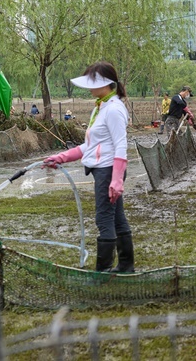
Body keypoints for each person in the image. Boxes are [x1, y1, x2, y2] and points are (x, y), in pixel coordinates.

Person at [43, 61, 135, 272]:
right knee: (117, 217)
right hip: (104, 169)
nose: (88, 87)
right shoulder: (102, 107)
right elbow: (90, 146)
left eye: (92, 82)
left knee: (104, 217)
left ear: (105, 83)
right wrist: (61, 157)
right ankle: (126, 266)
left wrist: (117, 179)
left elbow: (121, 145)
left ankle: (103, 271)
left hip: (108, 170)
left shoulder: (113, 109)